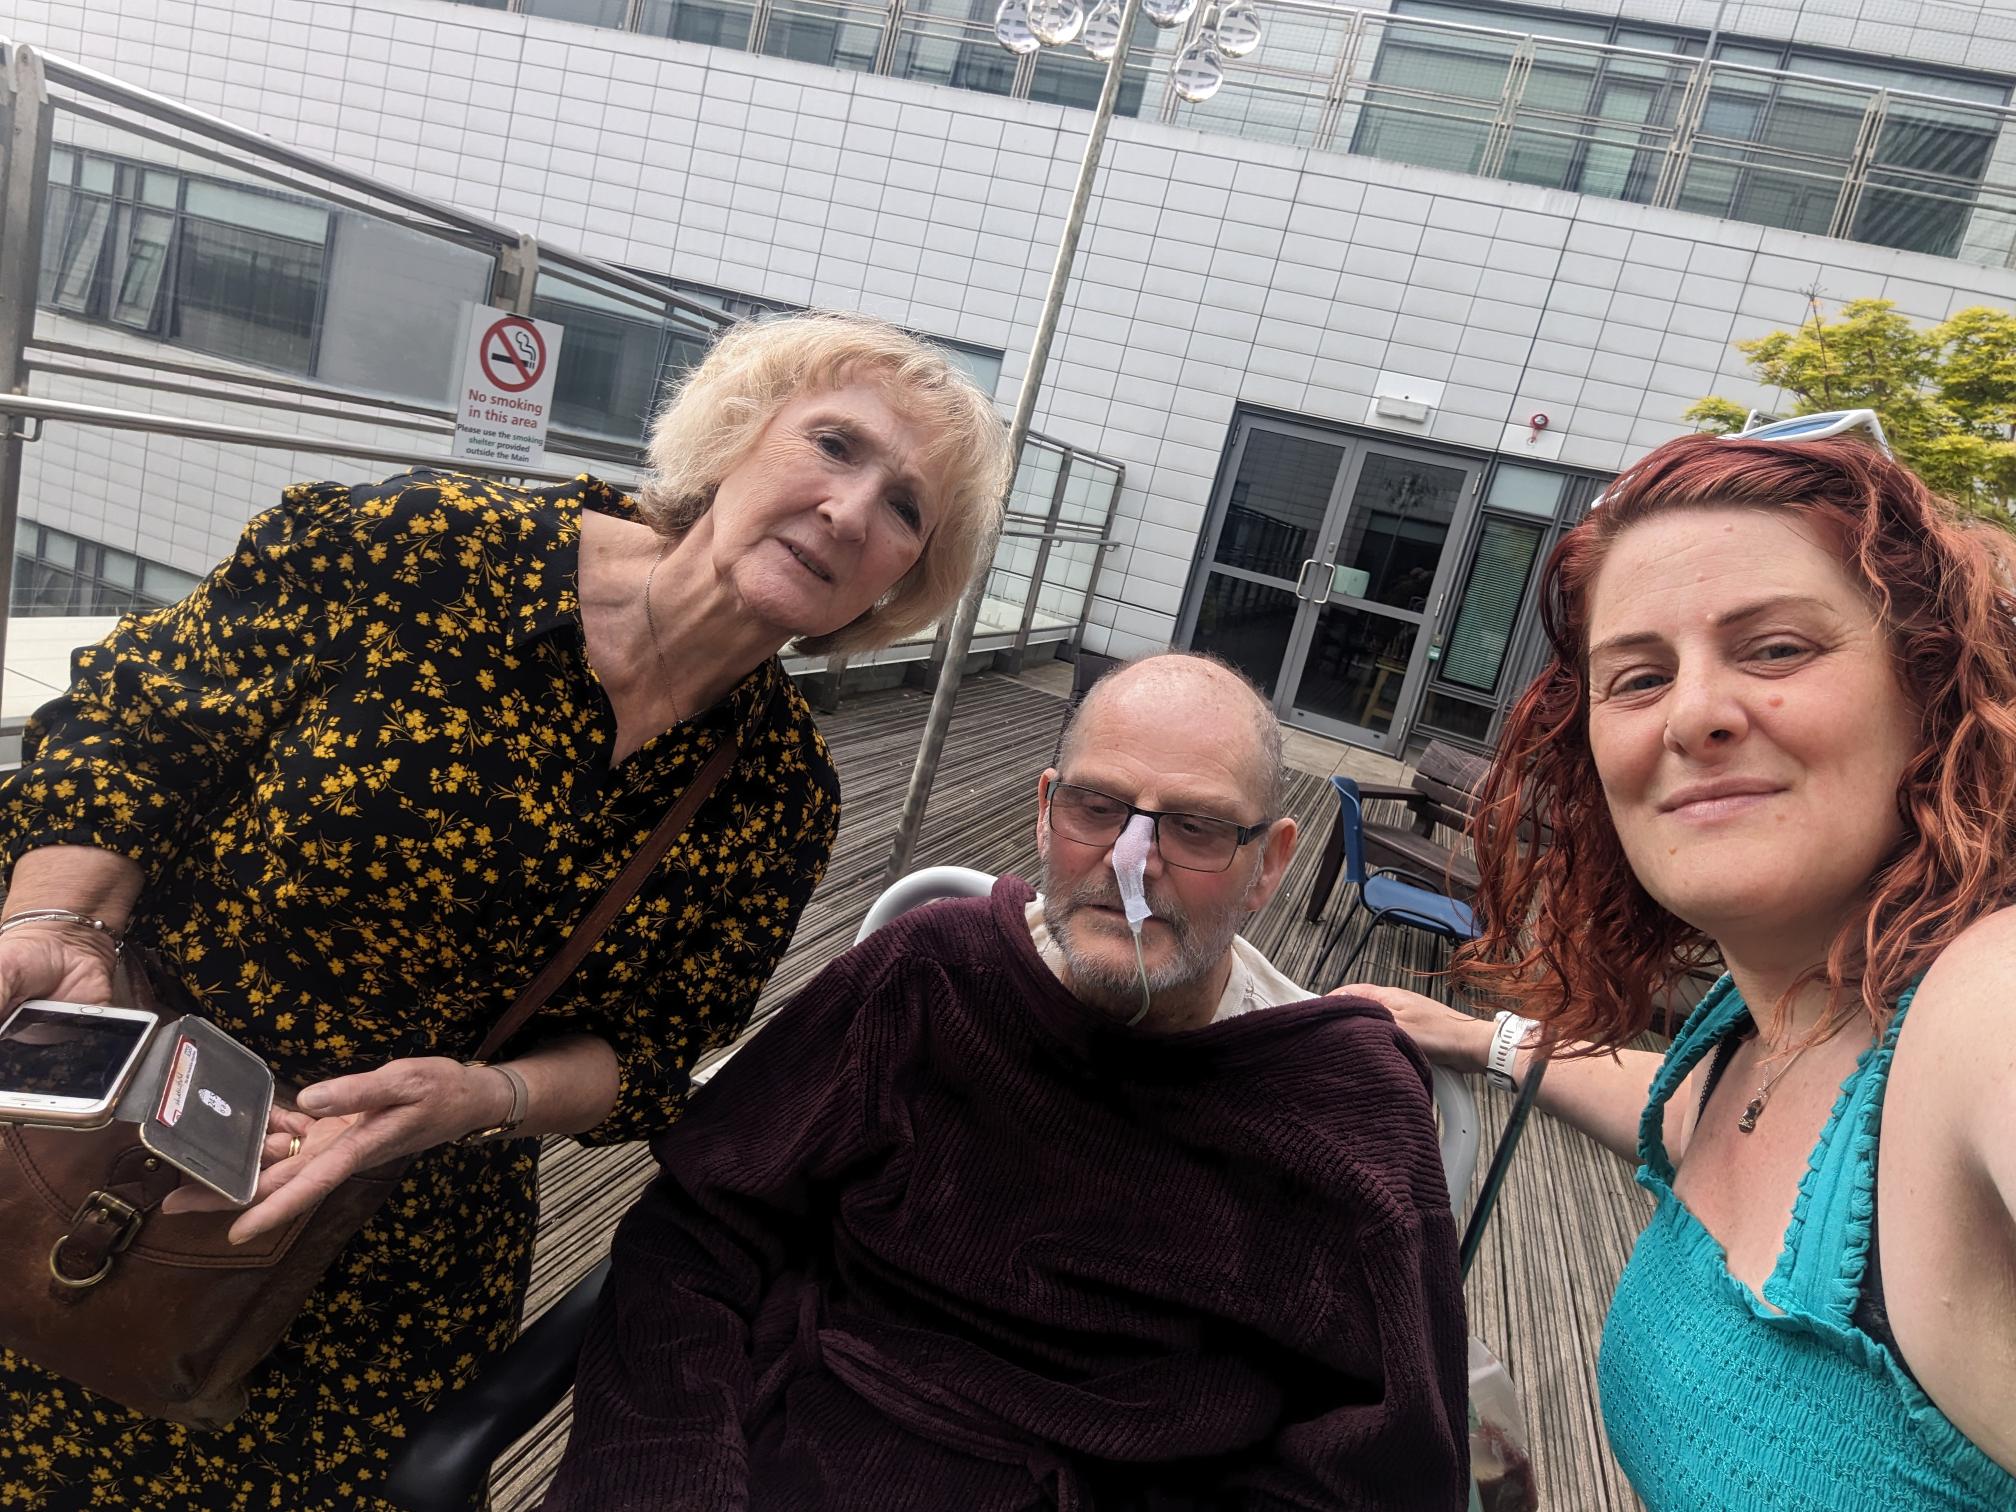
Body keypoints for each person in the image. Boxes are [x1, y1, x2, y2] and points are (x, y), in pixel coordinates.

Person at [0, 312, 1011, 1510]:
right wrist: (58, 927)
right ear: (738, 437)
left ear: (906, 578)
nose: (852, 511)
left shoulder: (781, 794)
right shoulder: (428, 550)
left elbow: (647, 1057)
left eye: (906, 509)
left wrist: (484, 1098)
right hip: (117, 1140)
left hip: (389, 1255)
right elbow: (134, 735)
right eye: (834, 445)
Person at [540, 652, 1470, 1511]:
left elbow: (1383, 1466)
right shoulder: (929, 982)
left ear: (1268, 864)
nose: (1129, 863)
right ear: (1042, 810)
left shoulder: (1343, 1111)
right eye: (1096, 807)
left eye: (1193, 827)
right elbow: (701, 1223)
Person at [1345, 432, 2016, 1508]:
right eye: (1640, 676)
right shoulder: (1756, 1024)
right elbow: (1689, 1113)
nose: (1693, 714)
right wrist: (1483, 1037)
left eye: (1778, 649)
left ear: (1927, 689)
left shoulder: (1983, 1006)